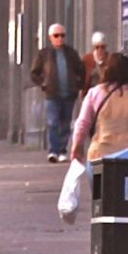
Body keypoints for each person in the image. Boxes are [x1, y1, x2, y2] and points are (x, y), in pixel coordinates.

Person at [70, 52, 128, 164]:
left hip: (99, 156)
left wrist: (77, 145)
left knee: (98, 181)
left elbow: (83, 123)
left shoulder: (95, 93)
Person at [28, 24, 86, 163]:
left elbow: (81, 69)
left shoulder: (71, 53)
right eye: (56, 36)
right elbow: (34, 72)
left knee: (65, 122)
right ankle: (53, 150)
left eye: (62, 35)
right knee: (53, 122)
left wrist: (78, 85)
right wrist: (43, 83)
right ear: (50, 38)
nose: (60, 38)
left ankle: (62, 150)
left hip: (69, 93)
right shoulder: (44, 54)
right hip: (52, 93)